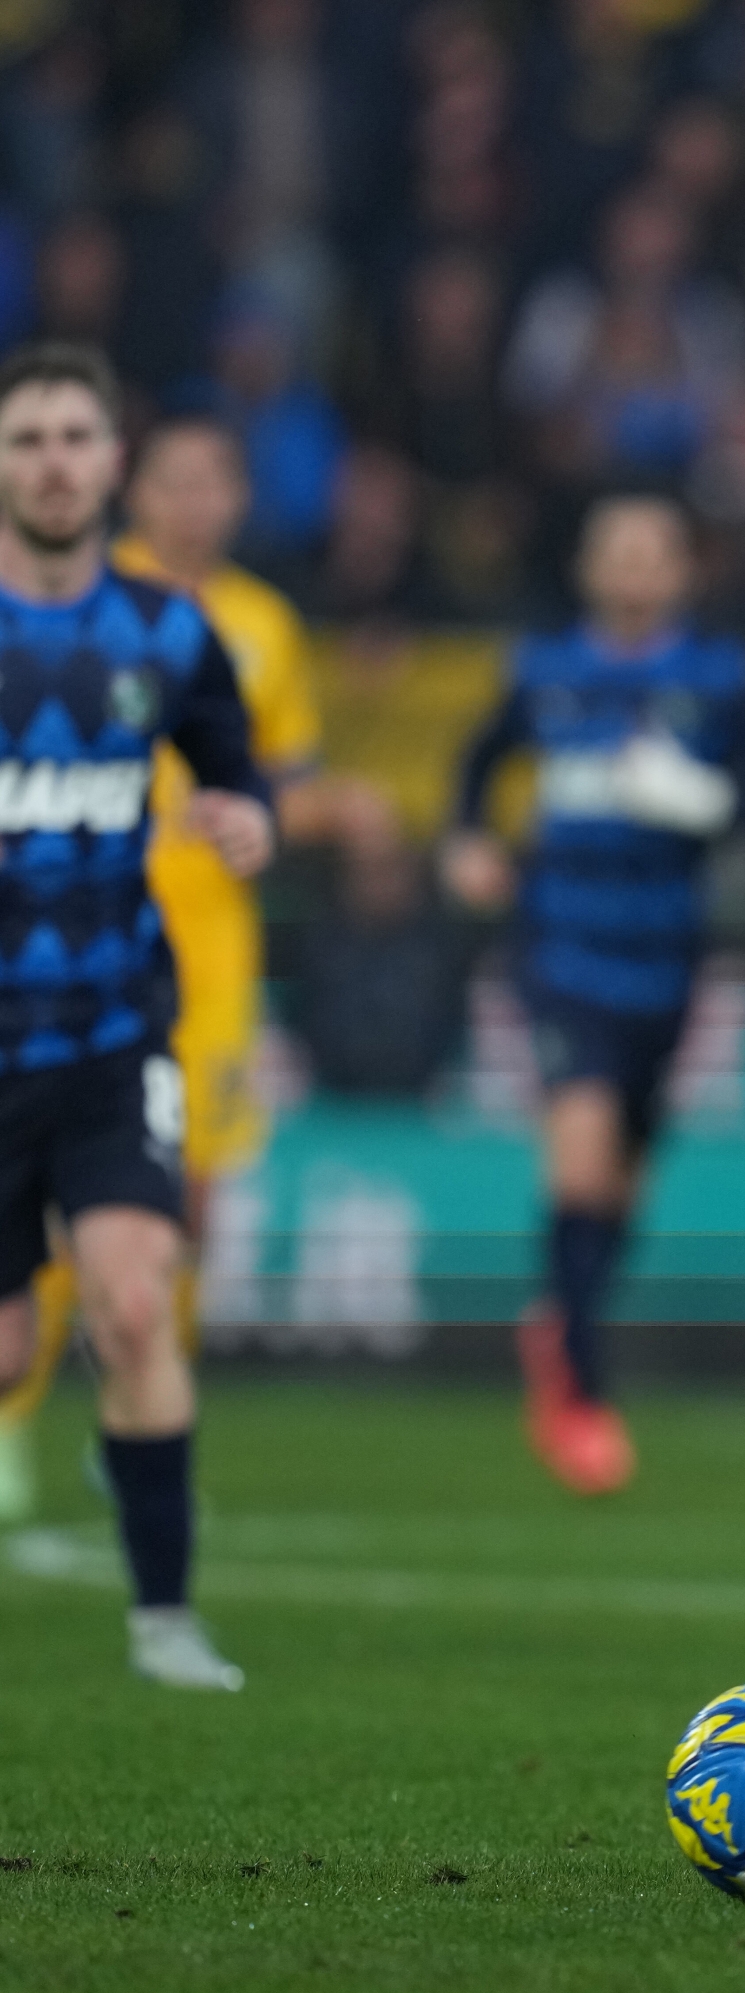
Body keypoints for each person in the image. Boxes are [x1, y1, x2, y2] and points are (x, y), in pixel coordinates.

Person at [0, 414, 385, 1523]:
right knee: (60, 1205)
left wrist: (314, 809)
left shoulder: (260, 623)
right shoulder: (80, 600)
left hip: (214, 959)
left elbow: (274, 781)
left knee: (188, 1210)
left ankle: (132, 1413)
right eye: (174, 479)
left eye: (215, 481)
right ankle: (17, 1415)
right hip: (75, 947)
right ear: (135, 488)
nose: (194, 501)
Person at [441, 494, 745, 1495]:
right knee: (581, 1152)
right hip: (561, 950)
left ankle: (559, 1325)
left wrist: (701, 797)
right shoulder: (545, 669)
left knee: (621, 1188)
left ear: (685, 570)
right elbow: (478, 764)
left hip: (670, 956)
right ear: (589, 568)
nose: (636, 569)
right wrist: (469, 840)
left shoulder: (726, 678)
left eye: (655, 553)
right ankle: (583, 1396)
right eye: (619, 552)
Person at [0, 342, 275, 1688]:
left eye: (72, 437)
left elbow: (237, 769)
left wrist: (244, 817)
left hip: (114, 1037)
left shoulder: (168, 633)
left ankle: (165, 1620)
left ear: (114, 464)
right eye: (27, 438)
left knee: (132, 1304)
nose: (52, 461)